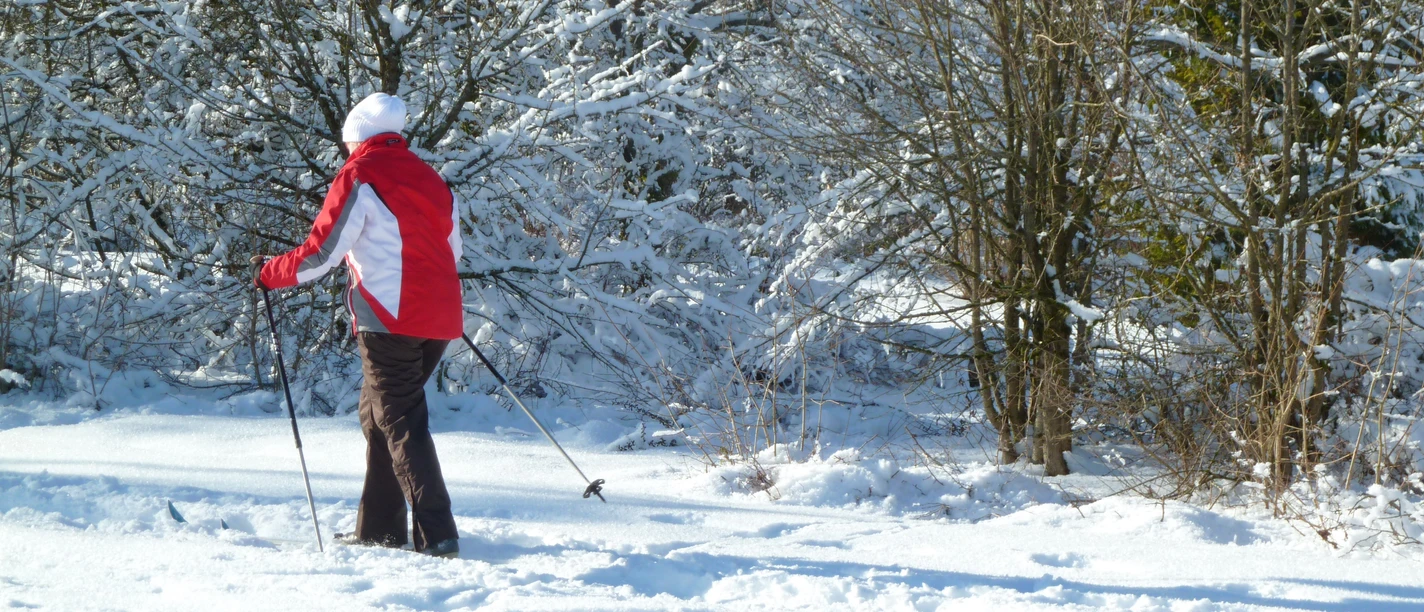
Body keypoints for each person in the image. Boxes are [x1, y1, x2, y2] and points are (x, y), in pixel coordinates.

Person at [252, 92, 463, 558]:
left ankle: (437, 532)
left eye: (349, 143)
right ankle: (379, 529)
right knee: (377, 416)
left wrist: (270, 272)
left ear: (358, 137)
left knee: (401, 420)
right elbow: (453, 250)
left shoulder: (360, 174)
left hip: (389, 318)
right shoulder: (431, 179)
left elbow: (321, 254)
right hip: (441, 317)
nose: (347, 151)